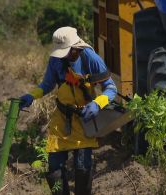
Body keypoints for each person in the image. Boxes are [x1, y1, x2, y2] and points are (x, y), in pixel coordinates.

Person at [19, 26, 117, 195]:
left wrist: (97, 104)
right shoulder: (56, 61)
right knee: (54, 166)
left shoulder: (90, 58)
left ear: (75, 48)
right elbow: (47, 84)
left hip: (84, 119)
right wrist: (32, 96)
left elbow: (111, 88)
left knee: (82, 166)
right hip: (62, 118)